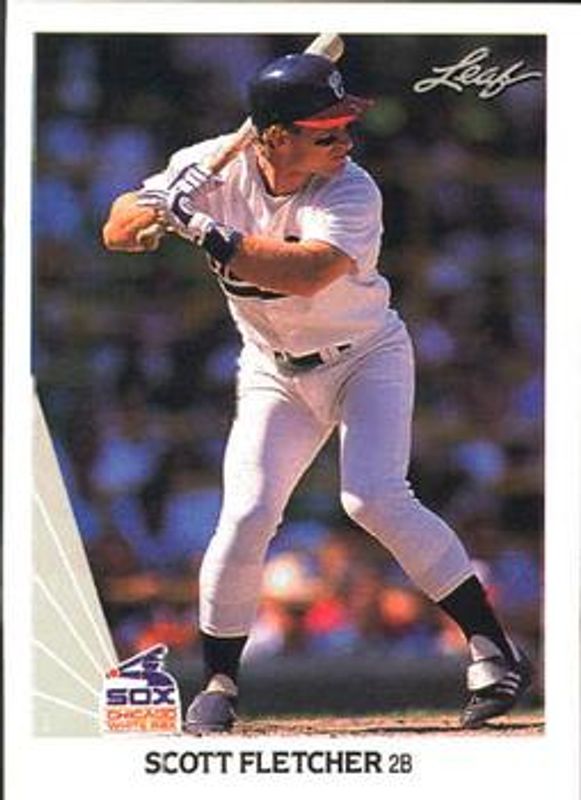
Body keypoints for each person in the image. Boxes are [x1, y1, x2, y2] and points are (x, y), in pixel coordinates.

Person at [102, 52, 532, 732]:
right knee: (246, 514)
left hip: (365, 356)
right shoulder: (210, 163)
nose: (345, 141)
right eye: (326, 131)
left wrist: (202, 227)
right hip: (272, 368)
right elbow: (117, 231)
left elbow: (304, 273)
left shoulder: (352, 189)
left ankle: (492, 648)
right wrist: (160, 200)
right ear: (274, 137)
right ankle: (218, 683)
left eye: (345, 127)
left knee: (373, 498)